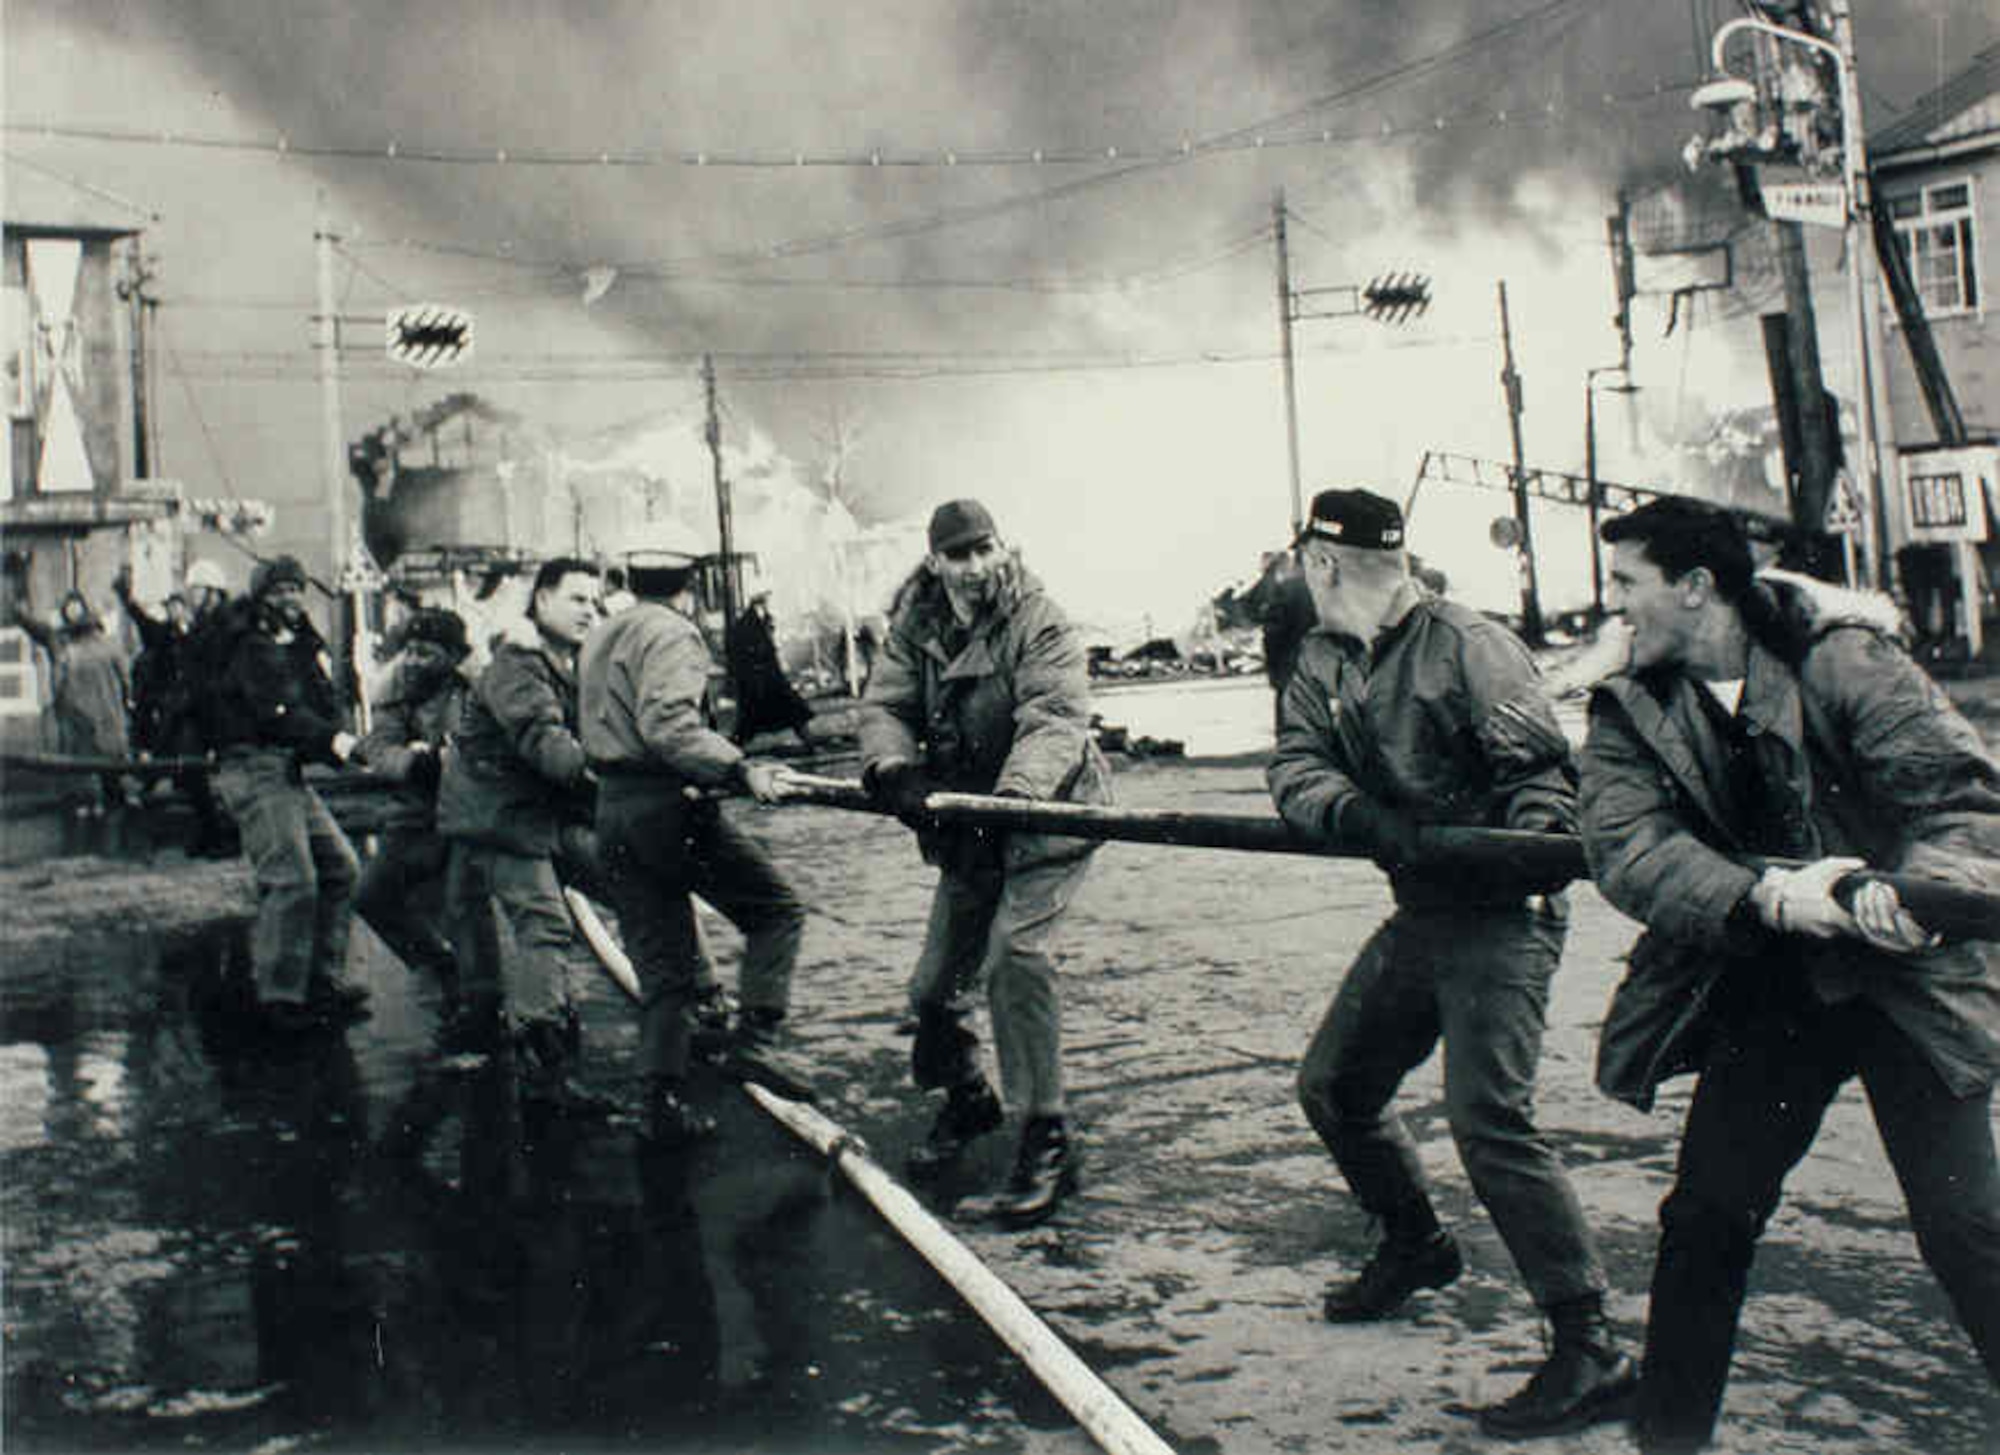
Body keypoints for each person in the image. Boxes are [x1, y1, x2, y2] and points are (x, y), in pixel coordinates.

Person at [1576, 497, 2000, 1453]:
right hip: (1773, 988)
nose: (1614, 609)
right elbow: (1628, 845)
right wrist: (1771, 900)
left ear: (1695, 588)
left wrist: (1912, 898)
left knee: (1968, 1229)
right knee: (1707, 1216)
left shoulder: (1843, 660)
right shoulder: (1631, 703)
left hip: (1909, 986)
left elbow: (1964, 804)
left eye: (1627, 584)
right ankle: (1670, 1441)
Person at [1265, 487, 1634, 1438]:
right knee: (1336, 1085)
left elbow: (1545, 777)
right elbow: (1295, 766)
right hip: (1422, 908)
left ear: (1321, 563)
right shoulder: (1322, 657)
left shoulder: (1469, 644)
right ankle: (1416, 1242)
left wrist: (1507, 853)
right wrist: (1360, 817)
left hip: (1503, 914)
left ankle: (1588, 1338)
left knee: (1489, 1119)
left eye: (1311, 566)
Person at [858, 498, 1111, 1228]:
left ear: (1003, 549)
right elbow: (886, 701)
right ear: (934, 560)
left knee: (1017, 957)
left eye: (982, 550)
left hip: (1045, 814)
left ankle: (1048, 1138)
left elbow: (1055, 717)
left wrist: (1016, 797)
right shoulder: (919, 620)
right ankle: (969, 1097)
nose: (972, 567)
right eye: (957, 554)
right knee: (935, 985)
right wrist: (893, 766)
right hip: (970, 820)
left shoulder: (1040, 618)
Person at [579, 530, 814, 1146]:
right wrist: (740, 768)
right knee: (776, 910)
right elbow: (669, 725)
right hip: (665, 805)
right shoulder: (674, 633)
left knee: (663, 967)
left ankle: (660, 1105)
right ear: (691, 583)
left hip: (613, 809)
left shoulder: (602, 633)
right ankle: (755, 1040)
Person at [436, 560, 614, 1112]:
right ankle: (544, 1067)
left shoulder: (569, 661)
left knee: (626, 877)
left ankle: (550, 1021)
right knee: (544, 925)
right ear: (540, 602)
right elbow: (545, 740)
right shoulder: (518, 664)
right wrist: (610, 781)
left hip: (531, 814)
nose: (590, 609)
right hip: (500, 818)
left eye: (595, 600)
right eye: (577, 599)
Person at [201, 555, 368, 1037]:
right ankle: (279, 998)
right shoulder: (248, 647)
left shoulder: (292, 644)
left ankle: (320, 983)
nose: (291, 599)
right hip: (253, 767)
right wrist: (336, 743)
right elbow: (277, 713)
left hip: (285, 769)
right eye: (280, 591)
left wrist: (339, 734)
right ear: (261, 598)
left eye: (297, 589)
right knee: (292, 879)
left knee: (341, 869)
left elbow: (317, 701)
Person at [353, 607, 474, 1012]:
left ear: (455, 656)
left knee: (462, 909)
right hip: (415, 811)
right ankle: (434, 962)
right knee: (371, 895)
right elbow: (377, 746)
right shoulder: (394, 690)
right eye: (411, 650)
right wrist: (412, 761)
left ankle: (475, 1001)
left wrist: (449, 758)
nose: (415, 661)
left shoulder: (474, 689)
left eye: (428, 652)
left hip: (467, 813)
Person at [15, 584, 133, 814]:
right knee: (92, 757)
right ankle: (97, 800)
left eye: (77, 608)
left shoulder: (90, 645)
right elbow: (125, 675)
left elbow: (123, 673)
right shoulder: (64, 642)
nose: (74, 613)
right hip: (87, 710)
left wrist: (127, 696)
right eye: (70, 609)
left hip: (97, 708)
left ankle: (105, 799)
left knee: (97, 757)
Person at [727, 591, 815, 750]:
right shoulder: (745, 624)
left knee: (791, 710)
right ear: (758, 602)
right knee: (753, 718)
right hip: (760, 679)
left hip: (768, 677)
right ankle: (732, 750)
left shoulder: (761, 619)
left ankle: (810, 743)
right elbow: (744, 651)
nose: (767, 603)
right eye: (764, 600)